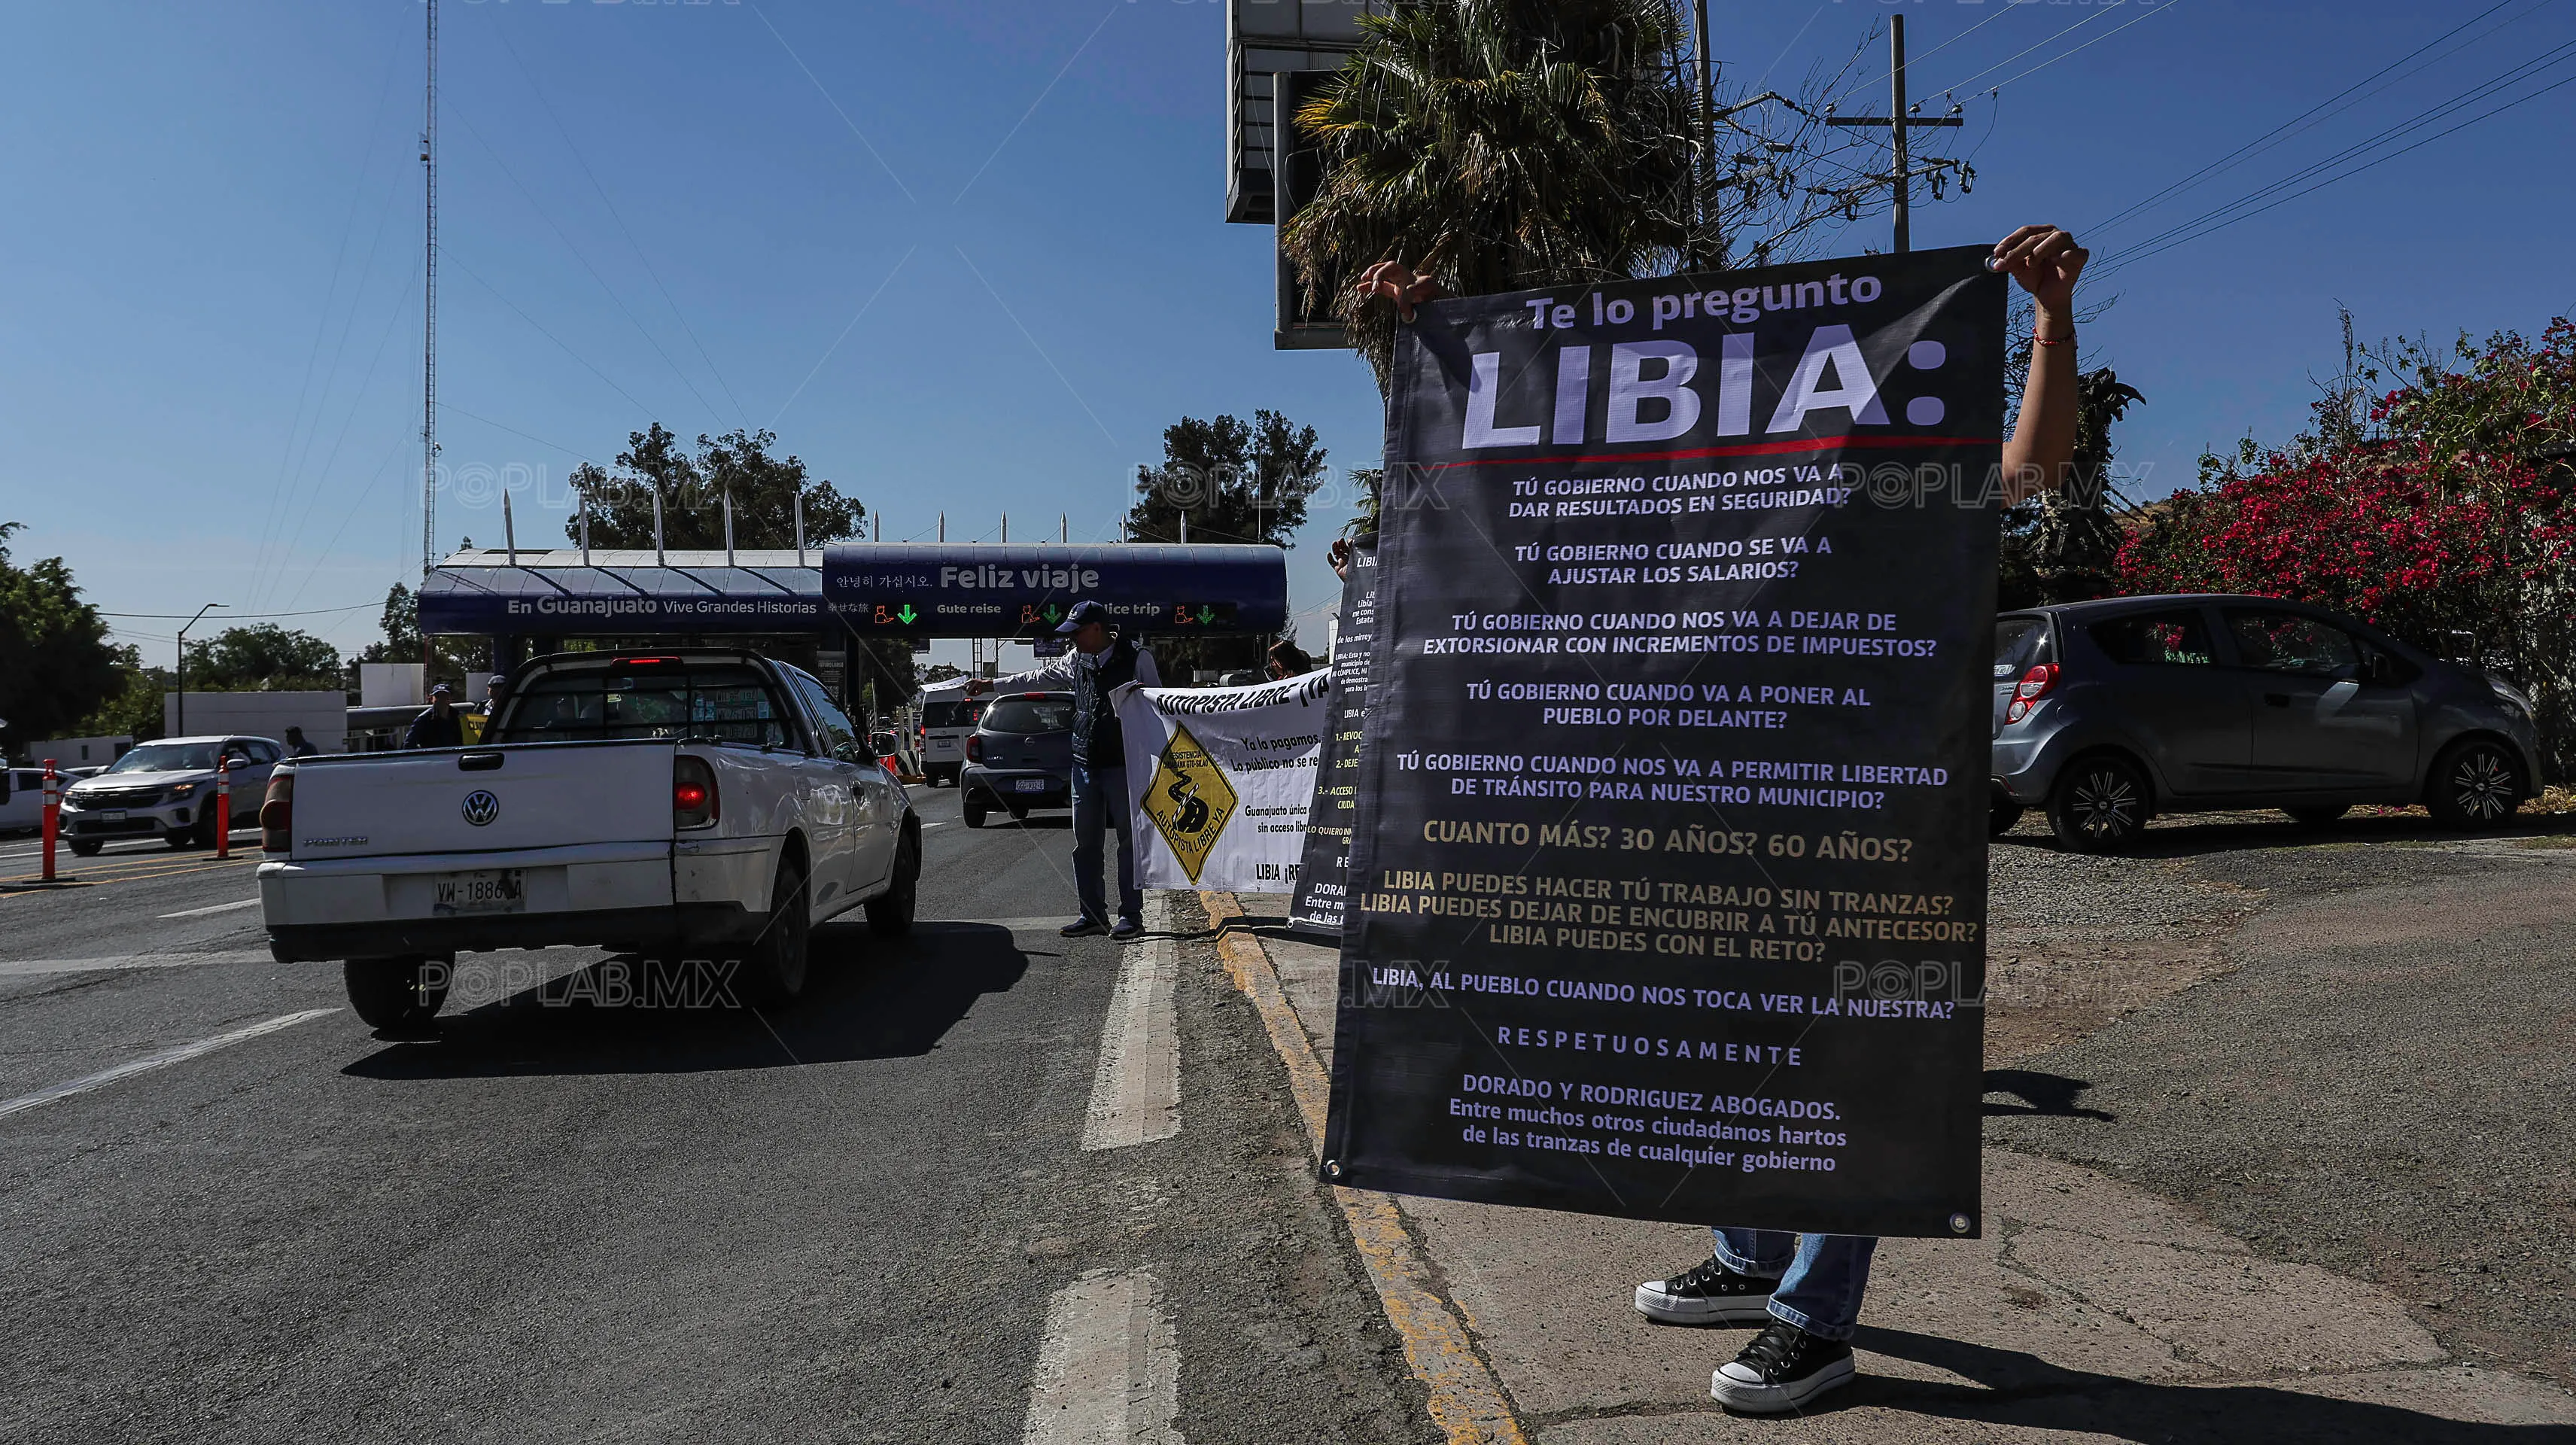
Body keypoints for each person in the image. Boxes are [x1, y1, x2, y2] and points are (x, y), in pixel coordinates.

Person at [1359, 225, 2091, 1415]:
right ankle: (1750, 1258)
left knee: (1847, 1066)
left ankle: (1816, 1316)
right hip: (1705, 821)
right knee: (1717, 1028)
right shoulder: (1673, 509)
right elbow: (1483, 499)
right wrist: (1436, 344)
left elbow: (2033, 473)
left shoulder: (1896, 495)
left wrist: (2050, 318)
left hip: (1861, 828)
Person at [967, 600, 1161, 939]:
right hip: (1084, 764)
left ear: (1098, 629)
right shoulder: (1076, 660)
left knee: (1129, 843)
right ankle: (1092, 914)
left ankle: (1131, 915)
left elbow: (1158, 704)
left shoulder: (1137, 658)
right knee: (1085, 843)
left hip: (1124, 764)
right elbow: (1037, 676)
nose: (1073, 640)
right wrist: (991, 685)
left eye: (1078, 633)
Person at [403, 683, 466, 750]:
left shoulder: (460, 717)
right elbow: (408, 744)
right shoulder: (423, 720)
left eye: (445, 696)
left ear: (451, 699)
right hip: (433, 757)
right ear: (431, 699)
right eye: (438, 696)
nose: (442, 700)